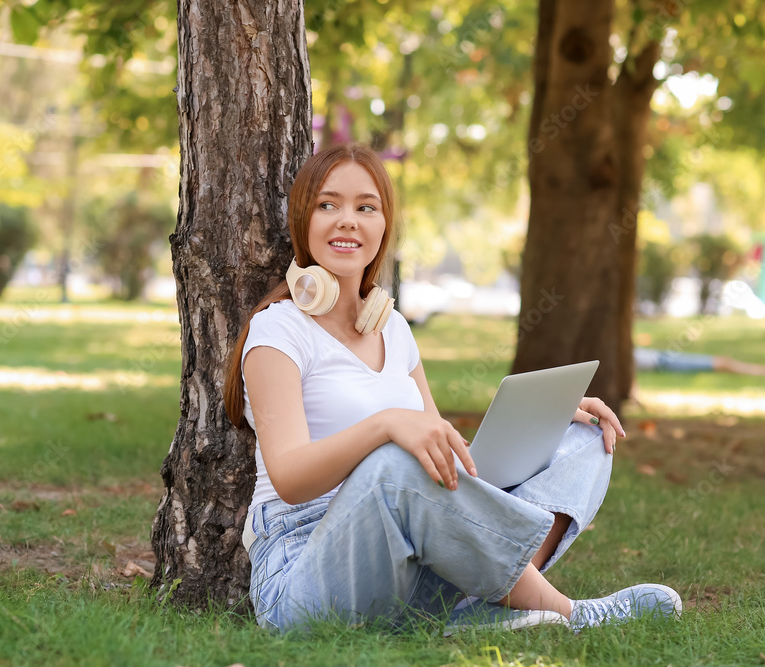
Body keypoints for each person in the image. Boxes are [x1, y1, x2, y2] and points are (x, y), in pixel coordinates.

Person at [222, 144, 682, 635]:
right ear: (303, 219)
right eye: (328, 205)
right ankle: (573, 614)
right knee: (394, 463)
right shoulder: (279, 330)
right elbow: (289, 476)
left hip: (408, 556)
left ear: (383, 224)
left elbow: (443, 454)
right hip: (303, 573)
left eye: (366, 207)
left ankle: (464, 611)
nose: (348, 221)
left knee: (585, 441)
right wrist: (386, 427)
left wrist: (542, 420)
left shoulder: (393, 328)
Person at [634, 347, 765, 376]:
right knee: (720, 363)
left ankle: (758, 370)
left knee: (721, 363)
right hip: (662, 362)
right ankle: (758, 371)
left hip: (662, 359)